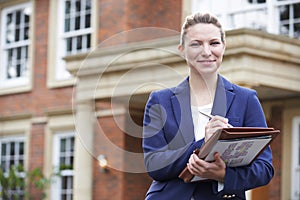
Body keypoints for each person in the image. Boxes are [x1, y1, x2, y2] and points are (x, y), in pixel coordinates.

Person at [142, 12, 274, 200]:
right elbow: (154, 164)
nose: (206, 51)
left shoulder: (246, 99)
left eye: (213, 43)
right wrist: (204, 144)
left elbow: (264, 169)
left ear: (223, 47)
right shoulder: (159, 100)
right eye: (196, 44)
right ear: (182, 50)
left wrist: (223, 175)